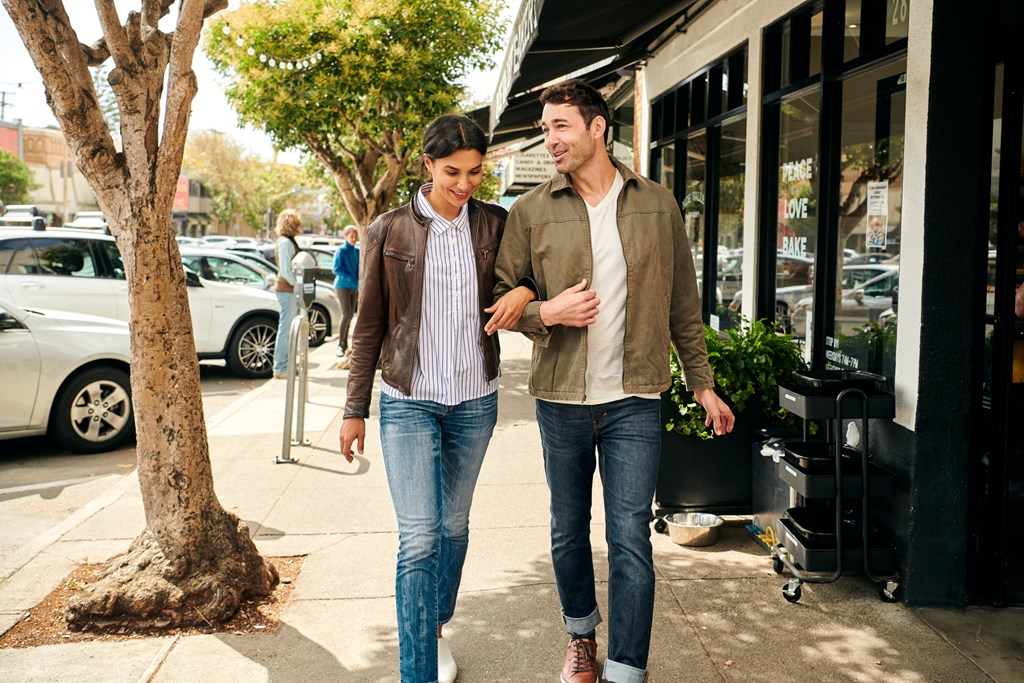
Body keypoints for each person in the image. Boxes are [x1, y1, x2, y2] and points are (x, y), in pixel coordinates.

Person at [489, 80, 735, 683]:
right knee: (568, 532)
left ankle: (627, 666)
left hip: (634, 399)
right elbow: (499, 298)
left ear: (598, 129)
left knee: (631, 539)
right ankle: (580, 634)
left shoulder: (657, 204)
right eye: (545, 129)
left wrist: (701, 384)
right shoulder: (531, 210)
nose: (550, 140)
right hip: (561, 399)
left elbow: (683, 303)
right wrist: (548, 312)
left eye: (560, 127)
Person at [339, 113, 536, 683]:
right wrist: (355, 409)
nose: (465, 183)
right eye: (453, 171)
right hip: (409, 400)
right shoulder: (388, 230)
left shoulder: (497, 225)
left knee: (453, 528)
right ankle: (418, 671)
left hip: (476, 401)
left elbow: (532, 278)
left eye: (476, 172)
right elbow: (369, 325)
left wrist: (524, 288)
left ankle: (434, 624)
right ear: (427, 165)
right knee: (420, 537)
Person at [272, 208, 303, 379]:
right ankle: (280, 367)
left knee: (291, 330)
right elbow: (286, 270)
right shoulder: (285, 243)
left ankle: (287, 365)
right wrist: (297, 286)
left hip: (290, 290)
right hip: (287, 290)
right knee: (286, 330)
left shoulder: (288, 241)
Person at [332, 225, 360, 357]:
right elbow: (336, 269)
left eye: (355, 236)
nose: (354, 239)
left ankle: (346, 345)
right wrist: (350, 278)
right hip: (342, 286)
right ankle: (340, 344)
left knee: (350, 316)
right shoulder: (341, 251)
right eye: (351, 236)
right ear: (345, 236)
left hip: (354, 287)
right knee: (346, 314)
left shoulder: (357, 251)